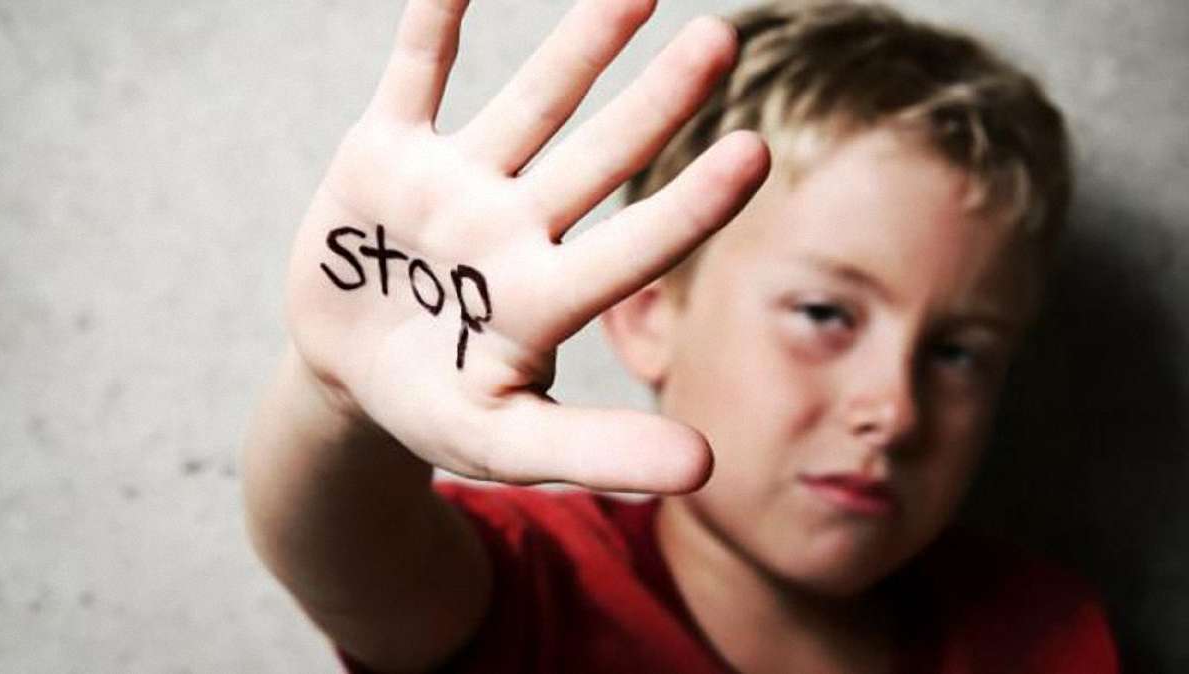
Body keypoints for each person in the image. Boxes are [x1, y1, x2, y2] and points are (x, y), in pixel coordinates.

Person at [242, 0, 1120, 671]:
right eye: (825, 315)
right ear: (650, 317)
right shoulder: (534, 583)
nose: (893, 412)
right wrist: (336, 395)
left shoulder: (1047, 634)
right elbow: (344, 549)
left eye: (959, 352)